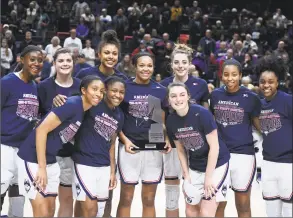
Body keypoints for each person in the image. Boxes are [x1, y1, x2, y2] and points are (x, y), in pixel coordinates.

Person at [16, 75, 104, 217]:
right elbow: (41, 130)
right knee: (42, 212)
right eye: (94, 89)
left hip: (51, 159)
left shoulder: (82, 111)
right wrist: (42, 167)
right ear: (83, 90)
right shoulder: (72, 104)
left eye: (101, 91)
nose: (98, 94)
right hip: (32, 158)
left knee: (50, 211)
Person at [64, 29, 126, 217]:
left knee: (104, 197)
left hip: (107, 141)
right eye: (106, 52)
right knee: (83, 199)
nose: (110, 56)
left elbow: (122, 114)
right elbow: (73, 102)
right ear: (98, 54)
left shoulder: (122, 80)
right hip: (85, 142)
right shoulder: (85, 73)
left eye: (114, 53)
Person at [116, 52, 172, 217]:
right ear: (134, 66)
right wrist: (124, 140)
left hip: (153, 149)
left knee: (149, 199)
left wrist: (167, 139)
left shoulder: (160, 90)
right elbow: (116, 118)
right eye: (142, 65)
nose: (146, 69)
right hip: (130, 148)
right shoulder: (124, 88)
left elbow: (164, 119)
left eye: (149, 65)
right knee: (126, 197)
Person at [166, 82, 230, 217]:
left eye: (182, 95)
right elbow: (181, 150)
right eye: (174, 96)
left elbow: (215, 146)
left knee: (206, 213)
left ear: (188, 96)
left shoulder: (202, 114)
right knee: (191, 211)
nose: (178, 99)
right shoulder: (171, 121)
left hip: (216, 165)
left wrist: (208, 177)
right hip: (195, 166)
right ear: (169, 100)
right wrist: (186, 174)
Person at [160, 44, 209, 217]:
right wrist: (164, 138)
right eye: (176, 62)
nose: (180, 66)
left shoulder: (201, 85)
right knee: (172, 193)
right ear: (171, 64)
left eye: (184, 62)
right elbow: (156, 116)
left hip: (197, 146)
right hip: (174, 145)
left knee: (195, 193)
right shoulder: (163, 85)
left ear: (189, 64)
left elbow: (206, 115)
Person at [211, 59, 262, 218]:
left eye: (234, 74)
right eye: (226, 75)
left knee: (243, 204)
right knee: (218, 203)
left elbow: (259, 125)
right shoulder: (215, 95)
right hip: (220, 156)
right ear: (222, 76)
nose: (230, 78)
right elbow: (210, 124)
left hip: (244, 156)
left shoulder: (251, 98)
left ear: (240, 75)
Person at [72, 76, 125, 217]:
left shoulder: (119, 115)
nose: (117, 95)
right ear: (105, 91)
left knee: (100, 212)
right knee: (90, 210)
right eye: (114, 91)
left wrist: (112, 171)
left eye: (121, 92)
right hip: (85, 163)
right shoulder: (92, 104)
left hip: (104, 166)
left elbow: (112, 144)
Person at [37, 48, 81, 217]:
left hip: (71, 151)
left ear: (73, 64)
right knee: (48, 199)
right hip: (48, 151)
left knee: (67, 198)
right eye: (61, 61)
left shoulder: (80, 85)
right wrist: (53, 109)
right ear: (54, 64)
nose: (65, 64)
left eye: (68, 60)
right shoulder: (44, 87)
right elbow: (37, 118)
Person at [1, 45, 43, 217]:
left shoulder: (35, 86)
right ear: (21, 59)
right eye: (32, 59)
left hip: (24, 150)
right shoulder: (7, 82)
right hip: (4, 146)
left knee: (19, 192)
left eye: (40, 60)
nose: (37, 63)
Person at [257, 55, 292, 217]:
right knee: (271, 211)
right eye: (263, 81)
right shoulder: (258, 104)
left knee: (288, 209)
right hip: (268, 163)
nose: (266, 85)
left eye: (271, 82)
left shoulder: (287, 101)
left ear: (278, 83)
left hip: (288, 164)